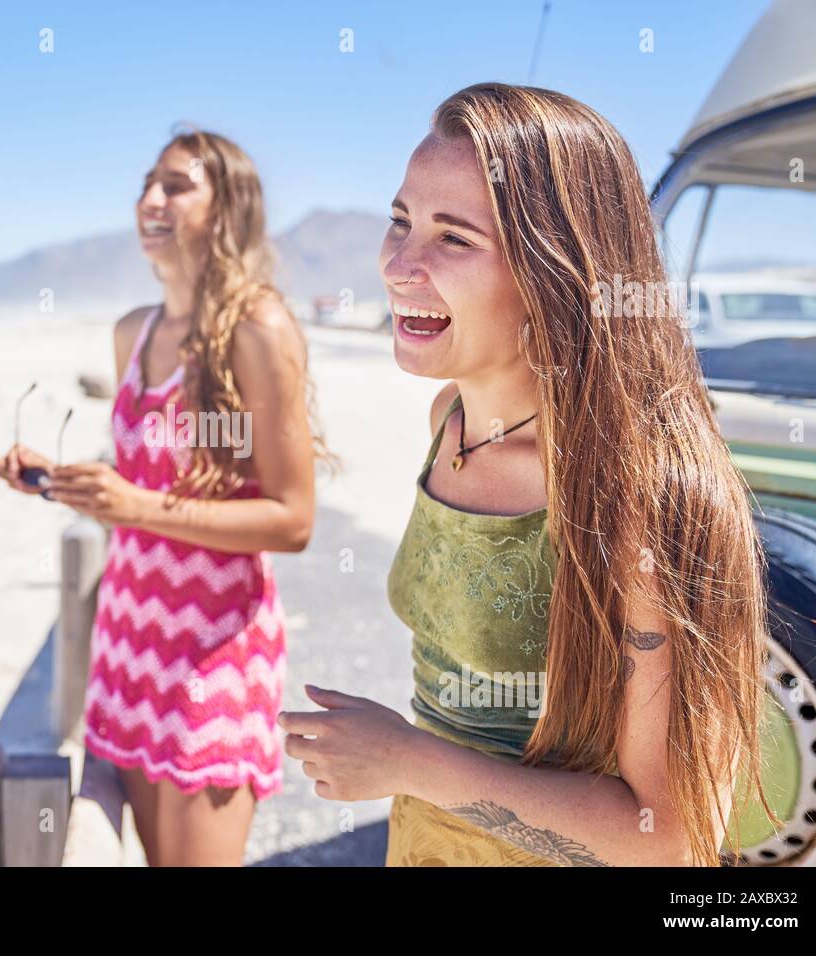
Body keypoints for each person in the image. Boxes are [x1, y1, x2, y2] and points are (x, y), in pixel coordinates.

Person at [279, 82, 773, 867]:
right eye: (401, 221)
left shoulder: (648, 499)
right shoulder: (449, 418)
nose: (401, 264)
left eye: (455, 239)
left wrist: (407, 760)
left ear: (557, 271)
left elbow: (671, 841)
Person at [0, 128, 332, 866]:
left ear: (226, 209)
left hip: (211, 649)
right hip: (126, 645)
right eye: (148, 184)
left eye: (177, 185)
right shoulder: (132, 332)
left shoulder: (258, 328)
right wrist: (58, 481)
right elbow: (142, 488)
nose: (151, 199)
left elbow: (293, 519)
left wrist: (135, 506)